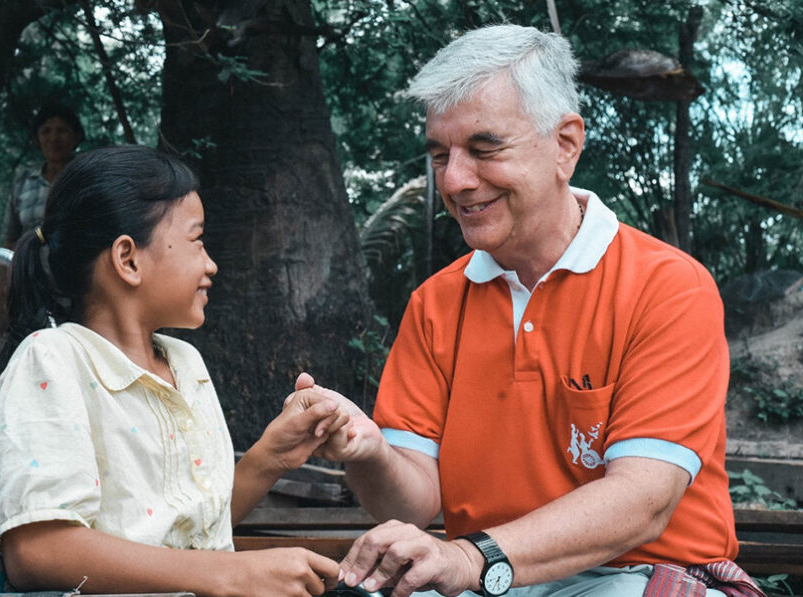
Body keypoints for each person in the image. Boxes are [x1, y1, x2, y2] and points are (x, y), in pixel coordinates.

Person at [303, 24, 762, 597]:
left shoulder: (668, 286)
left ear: (565, 145)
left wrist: (475, 557)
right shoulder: (436, 304)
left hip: (638, 574)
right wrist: (369, 454)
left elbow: (643, 499)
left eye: (484, 148)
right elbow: (414, 501)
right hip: (483, 576)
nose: (454, 180)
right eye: (440, 155)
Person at [0, 145, 347, 597]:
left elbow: (179, 532)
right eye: (197, 239)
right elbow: (37, 550)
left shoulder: (184, 362)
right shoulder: (53, 359)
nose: (211, 263)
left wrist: (272, 456)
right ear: (128, 259)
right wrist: (232, 575)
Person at [0, 103, 85, 343]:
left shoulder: (86, 177)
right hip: (30, 286)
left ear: (76, 137)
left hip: (79, 288)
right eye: (46, 131)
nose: (54, 138)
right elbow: (9, 239)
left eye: (62, 130)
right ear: (37, 138)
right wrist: (0, 298)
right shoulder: (24, 180)